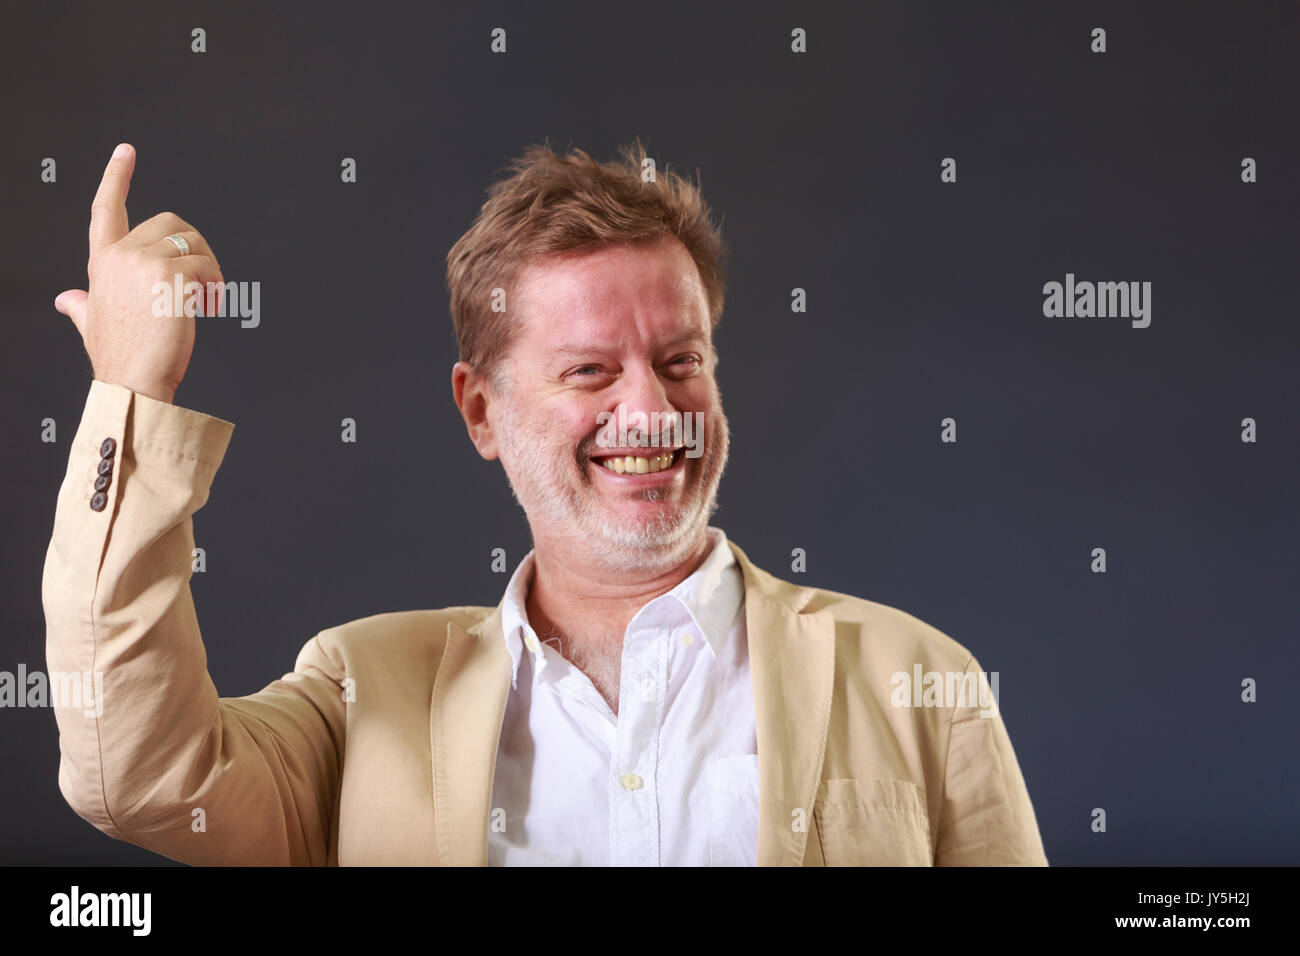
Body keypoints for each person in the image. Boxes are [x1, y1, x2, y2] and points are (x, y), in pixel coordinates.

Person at [44, 140, 1048, 866]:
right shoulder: (361, 694)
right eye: (588, 369)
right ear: (480, 410)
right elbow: (135, 777)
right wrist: (132, 392)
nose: (651, 410)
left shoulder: (920, 679)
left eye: (678, 360)